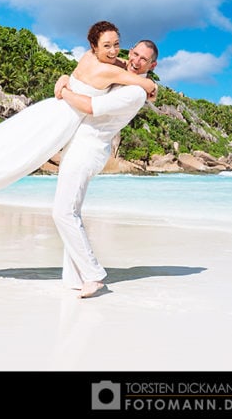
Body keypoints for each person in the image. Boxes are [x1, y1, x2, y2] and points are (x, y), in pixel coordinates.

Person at [0, 21, 156, 226]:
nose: (114, 52)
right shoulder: (110, 70)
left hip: (49, 110)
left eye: (117, 45)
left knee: (0, 143)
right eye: (107, 46)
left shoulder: (91, 59)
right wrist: (151, 84)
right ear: (94, 46)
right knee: (12, 158)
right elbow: (139, 81)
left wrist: (64, 78)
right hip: (60, 120)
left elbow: (122, 66)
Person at [52, 40, 158, 298]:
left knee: (63, 212)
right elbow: (89, 70)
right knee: (71, 210)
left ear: (152, 65)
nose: (135, 60)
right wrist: (67, 76)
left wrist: (63, 91)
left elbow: (91, 107)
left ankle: (93, 275)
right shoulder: (126, 75)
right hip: (77, 145)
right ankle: (74, 277)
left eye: (143, 59)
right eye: (134, 53)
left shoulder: (135, 92)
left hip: (88, 149)